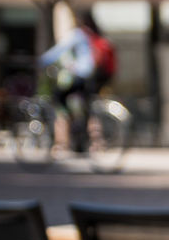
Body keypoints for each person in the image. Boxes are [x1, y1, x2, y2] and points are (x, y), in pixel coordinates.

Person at [39, 9, 115, 153]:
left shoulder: (78, 34)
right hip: (95, 77)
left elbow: (59, 50)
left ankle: (72, 123)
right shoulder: (94, 35)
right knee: (87, 108)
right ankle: (85, 140)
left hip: (81, 75)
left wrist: (41, 61)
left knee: (59, 97)